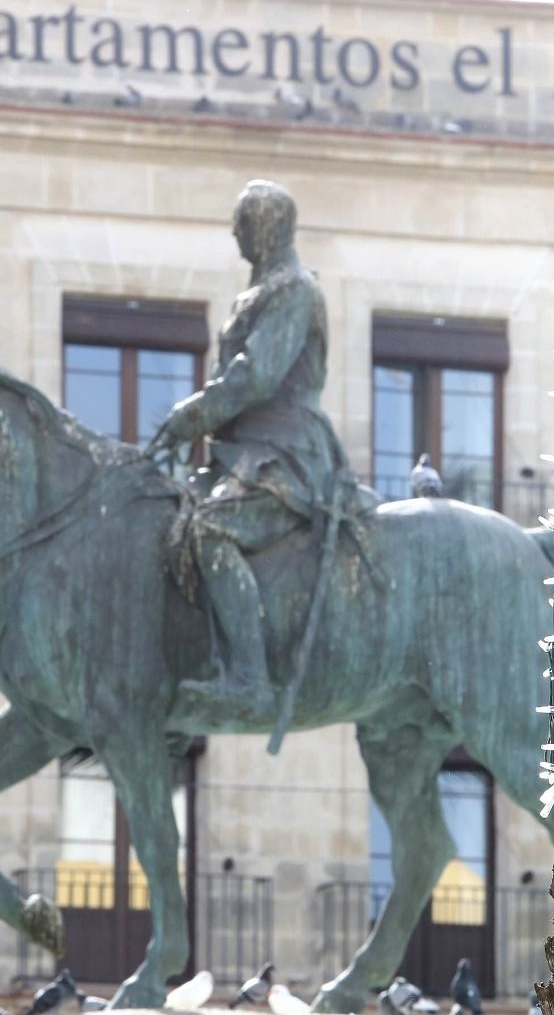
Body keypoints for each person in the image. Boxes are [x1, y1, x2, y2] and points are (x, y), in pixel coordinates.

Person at [148, 180, 352, 719]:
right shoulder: (265, 290)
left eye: (242, 224)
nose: (235, 235)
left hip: (284, 455)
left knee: (211, 529)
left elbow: (256, 376)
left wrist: (192, 416)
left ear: (266, 228)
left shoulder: (293, 289)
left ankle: (249, 677)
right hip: (243, 455)